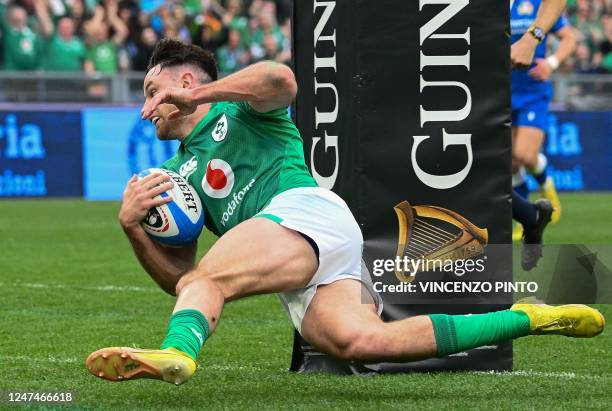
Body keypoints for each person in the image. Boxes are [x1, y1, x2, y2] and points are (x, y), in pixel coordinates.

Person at [85, 39, 605, 385]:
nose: (146, 106)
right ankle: (528, 317)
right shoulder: (171, 179)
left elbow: (281, 80)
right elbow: (183, 281)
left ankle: (179, 355)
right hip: (301, 258)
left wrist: (201, 94)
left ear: (187, 81)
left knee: (211, 279)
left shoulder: (237, 106)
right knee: (362, 342)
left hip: (305, 212)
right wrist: (131, 226)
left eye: (153, 89)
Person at [511, 0, 576, 241]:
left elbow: (569, 38)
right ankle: (524, 220)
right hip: (502, 92)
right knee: (511, 163)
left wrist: (551, 63)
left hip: (532, 93)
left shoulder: (537, 4)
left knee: (524, 154)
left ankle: (546, 185)